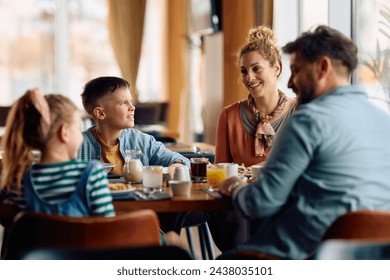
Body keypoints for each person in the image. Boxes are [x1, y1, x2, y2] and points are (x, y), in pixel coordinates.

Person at [217, 25, 390, 259]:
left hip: (306, 255)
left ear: (323, 67)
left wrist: (235, 187)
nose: (290, 83)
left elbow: (261, 203)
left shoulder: (307, 120)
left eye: (296, 71)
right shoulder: (383, 119)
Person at [0, 89, 115, 217]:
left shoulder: (16, 181)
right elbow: (107, 230)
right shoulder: (93, 174)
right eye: (78, 128)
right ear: (64, 132)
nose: (81, 136)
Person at [215, 25, 296, 167]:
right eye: (244, 71)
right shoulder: (228, 116)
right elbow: (220, 174)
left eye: (256, 68)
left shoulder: (300, 111)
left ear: (276, 68)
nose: (249, 78)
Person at [78, 76, 190, 176]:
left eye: (131, 102)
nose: (132, 107)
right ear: (101, 113)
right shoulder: (78, 146)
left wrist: (174, 168)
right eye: (123, 103)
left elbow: (181, 161)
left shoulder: (143, 142)